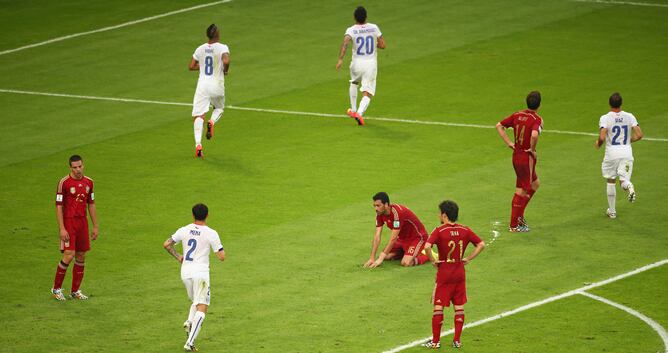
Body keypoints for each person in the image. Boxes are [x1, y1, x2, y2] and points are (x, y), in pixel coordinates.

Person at [422, 200, 485, 349]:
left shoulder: (439, 230)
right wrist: (468, 258)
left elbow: (427, 246)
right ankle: (457, 341)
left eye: (439, 213)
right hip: (459, 272)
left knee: (438, 307)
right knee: (459, 306)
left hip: (444, 272)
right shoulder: (465, 230)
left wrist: (432, 261)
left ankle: (435, 342)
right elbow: (481, 244)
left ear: (444, 215)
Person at [163, 203, 225, 352]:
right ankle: (189, 343)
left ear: (192, 215)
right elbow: (221, 256)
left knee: (196, 302)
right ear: (207, 215)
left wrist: (178, 256)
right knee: (202, 308)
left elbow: (166, 244)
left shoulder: (184, 230)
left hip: (185, 273)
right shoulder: (211, 233)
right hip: (201, 273)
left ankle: (189, 321)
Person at [51, 155, 99, 301]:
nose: (78, 170)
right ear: (70, 168)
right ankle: (56, 289)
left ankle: (75, 291)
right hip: (69, 222)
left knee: (81, 255)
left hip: (82, 222)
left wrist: (95, 226)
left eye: (80, 166)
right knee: (69, 254)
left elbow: (91, 204)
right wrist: (62, 228)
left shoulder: (89, 182)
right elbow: (58, 206)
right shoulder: (64, 183)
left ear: (83, 165)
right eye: (75, 167)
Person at [495, 91, 543, 232]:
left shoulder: (517, 115)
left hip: (517, 154)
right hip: (526, 157)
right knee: (522, 190)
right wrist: (532, 149)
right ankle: (514, 225)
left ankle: (519, 216)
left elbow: (499, 125)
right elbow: (534, 135)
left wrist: (510, 143)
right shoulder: (537, 119)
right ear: (539, 105)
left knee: (535, 183)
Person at [595, 92, 643, 218]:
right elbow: (639, 135)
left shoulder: (605, 118)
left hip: (612, 154)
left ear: (609, 104)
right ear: (621, 104)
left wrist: (599, 143)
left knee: (611, 180)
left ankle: (612, 211)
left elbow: (602, 135)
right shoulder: (630, 116)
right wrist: (628, 140)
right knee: (623, 181)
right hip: (626, 153)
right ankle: (630, 186)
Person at [335, 6, 386, 126]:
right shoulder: (374, 28)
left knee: (354, 82)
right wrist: (374, 45)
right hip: (370, 64)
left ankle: (353, 110)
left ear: (354, 18)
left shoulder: (351, 30)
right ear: (366, 17)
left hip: (356, 64)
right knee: (367, 92)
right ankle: (359, 113)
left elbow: (345, 43)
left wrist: (340, 60)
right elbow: (383, 45)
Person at [189, 24, 230, 157]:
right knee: (219, 108)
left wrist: (201, 68)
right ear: (217, 34)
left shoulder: (200, 49)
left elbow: (191, 66)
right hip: (217, 85)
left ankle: (198, 146)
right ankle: (211, 122)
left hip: (203, 86)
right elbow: (226, 60)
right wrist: (226, 70)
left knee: (198, 115)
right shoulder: (223, 47)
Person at [364, 192, 430, 268]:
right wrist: (372, 258)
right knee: (386, 256)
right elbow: (377, 236)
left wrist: (380, 259)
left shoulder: (397, 214)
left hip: (417, 238)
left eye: (378, 205)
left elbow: (393, 238)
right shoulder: (379, 214)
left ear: (386, 204)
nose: (376, 208)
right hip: (402, 239)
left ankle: (427, 254)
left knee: (406, 263)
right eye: (374, 206)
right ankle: (406, 252)